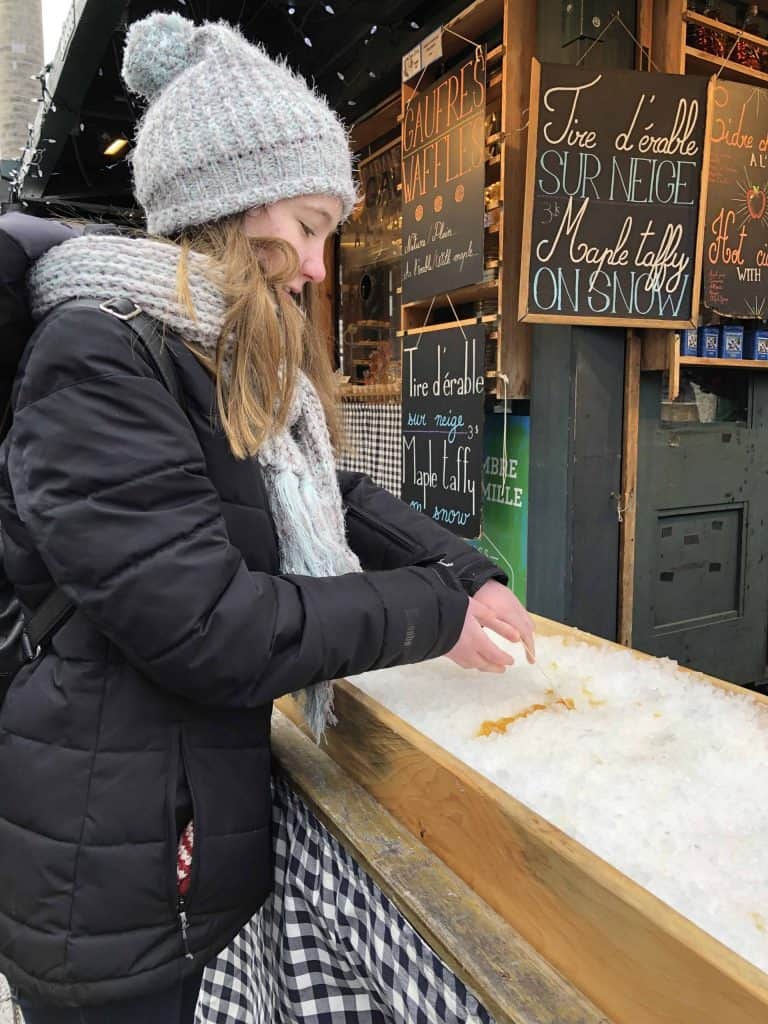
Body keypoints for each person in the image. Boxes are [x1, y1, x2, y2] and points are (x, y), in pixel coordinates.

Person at [0, 11, 534, 1023]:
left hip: (171, 849)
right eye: (311, 225)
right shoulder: (99, 355)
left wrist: (466, 569)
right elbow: (213, 627)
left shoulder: (212, 353)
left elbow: (342, 495)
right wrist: (428, 610)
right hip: (104, 886)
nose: (320, 268)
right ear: (231, 208)